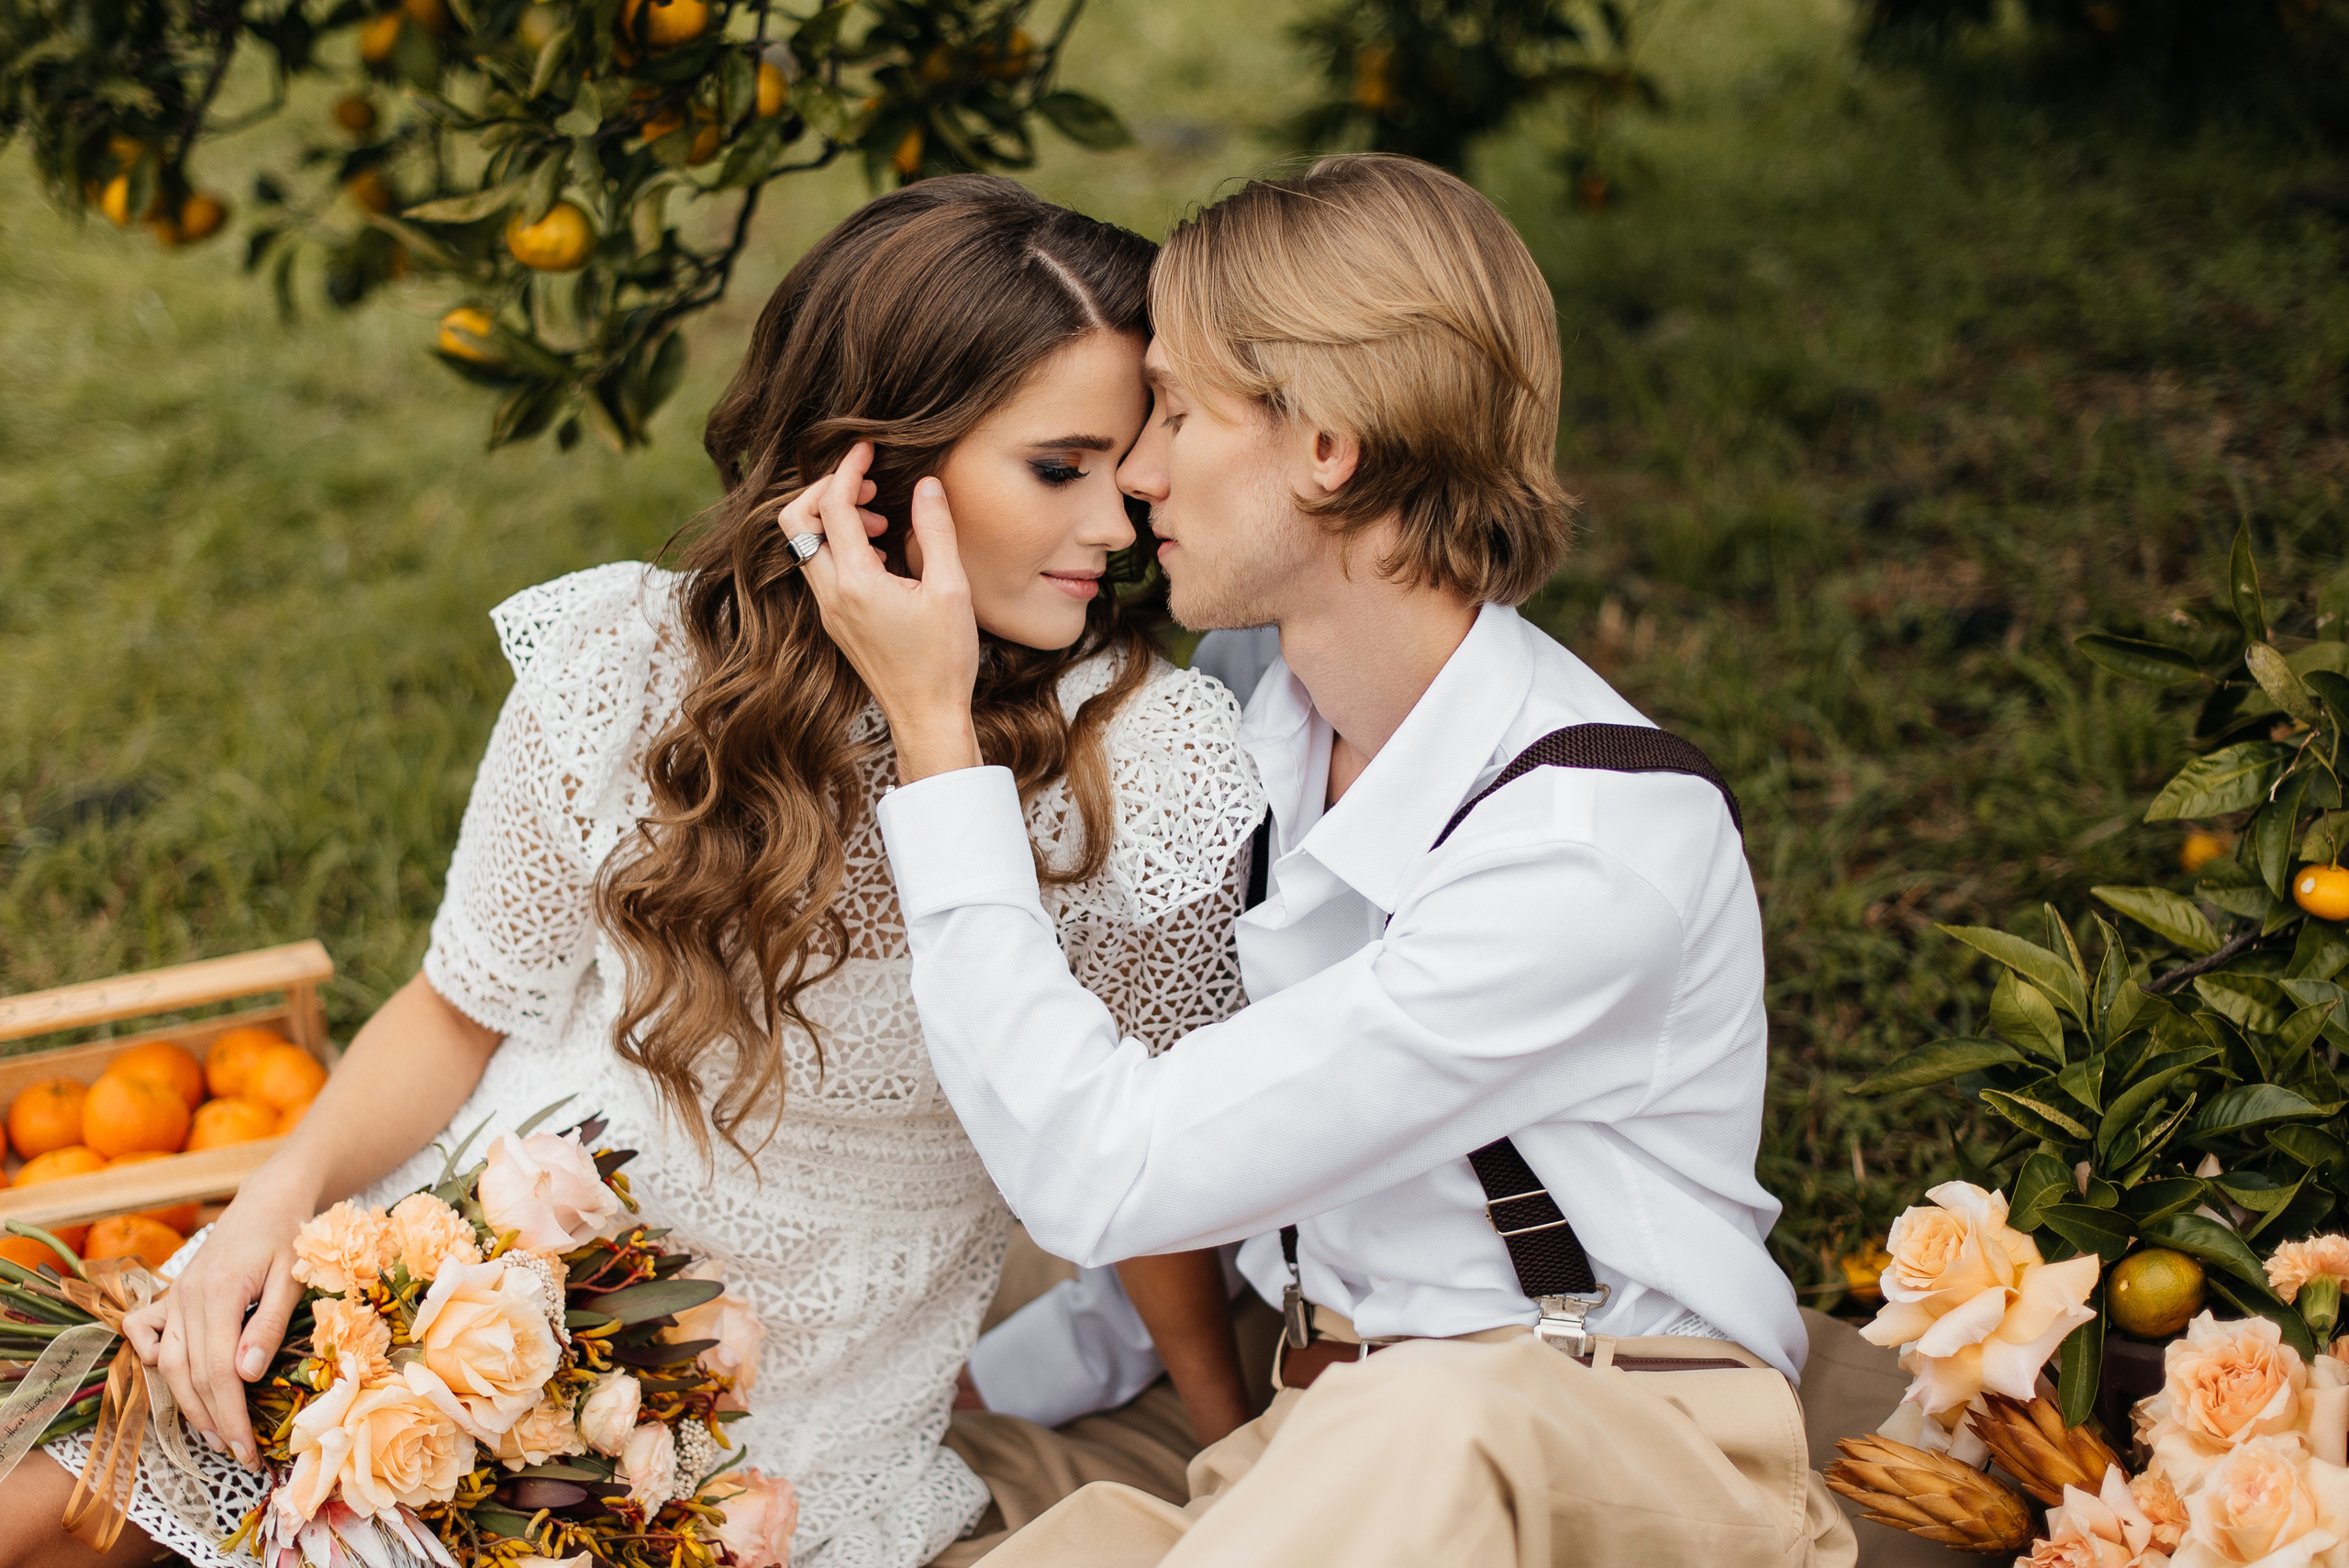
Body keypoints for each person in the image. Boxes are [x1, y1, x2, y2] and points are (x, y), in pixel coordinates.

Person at [0, 176, 1263, 1568]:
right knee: (56, 1509)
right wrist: (268, 1209)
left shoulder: (1145, 768)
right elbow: (456, 1007)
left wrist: (1231, 1438)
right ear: (875, 469)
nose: (1119, 525)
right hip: (478, 1258)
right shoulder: (627, 664)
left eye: (1126, 466)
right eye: (1057, 467)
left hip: (774, 1403)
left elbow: (1144, 1157)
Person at [795, 153, 1858, 1566]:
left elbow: (1108, 1161)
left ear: (1328, 447)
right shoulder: (1249, 706)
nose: (1139, 472)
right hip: (1311, 1443)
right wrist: (1006, 1378)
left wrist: (939, 739)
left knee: (1427, 1413)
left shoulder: (1582, 853)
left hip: (1610, 1446)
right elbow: (1245, 1133)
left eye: (1173, 409)